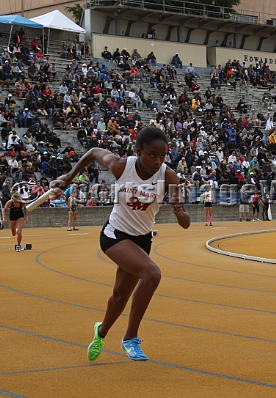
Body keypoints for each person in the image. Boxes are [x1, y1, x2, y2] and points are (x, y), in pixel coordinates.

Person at [52, 126, 190, 362]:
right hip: (115, 234)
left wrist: (179, 213)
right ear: (138, 152)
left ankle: (101, 332)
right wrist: (69, 177)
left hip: (141, 240)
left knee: (119, 297)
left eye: (162, 156)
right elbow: (94, 151)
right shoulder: (121, 166)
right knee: (152, 274)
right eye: (152, 155)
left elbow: (185, 223)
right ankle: (130, 338)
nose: (157, 161)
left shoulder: (168, 176)